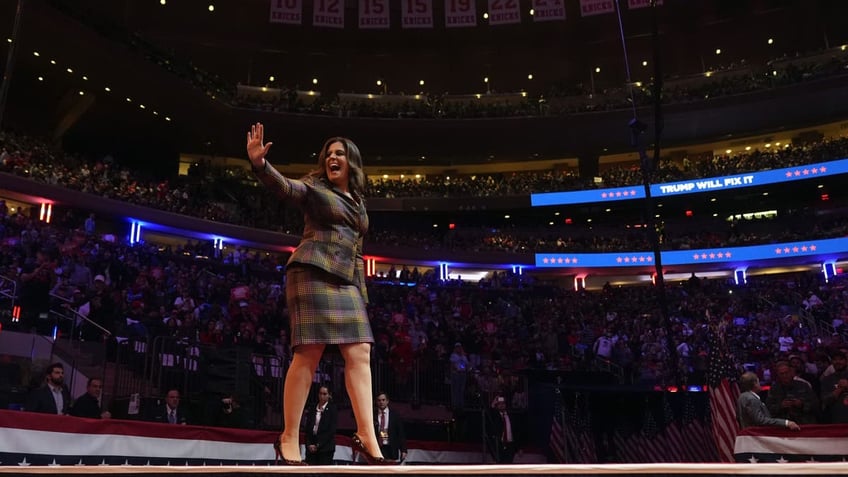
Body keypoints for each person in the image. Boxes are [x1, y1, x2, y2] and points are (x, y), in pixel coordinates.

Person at [246, 123, 388, 465]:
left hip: (346, 281)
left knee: (361, 351)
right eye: (329, 154)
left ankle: (367, 434)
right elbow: (288, 189)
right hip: (311, 273)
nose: (332, 158)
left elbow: (356, 253)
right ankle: (289, 436)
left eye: (340, 153)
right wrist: (260, 165)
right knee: (309, 354)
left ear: (352, 162)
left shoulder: (359, 203)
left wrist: (361, 296)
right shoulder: (314, 188)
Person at [303, 385, 337, 465]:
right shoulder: (312, 408)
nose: (322, 396)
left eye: (324, 394)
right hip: (311, 447)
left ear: (329, 395)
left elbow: (331, 431)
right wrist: (309, 444)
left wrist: (318, 445)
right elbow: (308, 429)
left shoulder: (332, 409)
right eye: (320, 393)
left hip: (325, 449)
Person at [373, 392, 407, 462]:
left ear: (387, 401)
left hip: (391, 448)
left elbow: (400, 433)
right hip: (377, 448)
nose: (381, 402)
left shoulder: (395, 415)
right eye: (379, 400)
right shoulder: (372, 415)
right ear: (376, 402)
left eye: (383, 400)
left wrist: (403, 450)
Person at [487, 395, 518, 463]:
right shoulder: (496, 416)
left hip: (510, 445)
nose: (501, 405)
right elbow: (490, 414)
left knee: (509, 464)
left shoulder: (511, 415)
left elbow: (516, 431)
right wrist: (493, 404)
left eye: (503, 403)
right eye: (499, 404)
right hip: (500, 444)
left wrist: (519, 447)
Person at [820, 350, 848, 423]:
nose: (837, 362)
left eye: (841, 359)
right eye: (835, 359)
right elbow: (825, 401)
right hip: (835, 419)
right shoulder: (827, 380)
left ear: (846, 361)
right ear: (832, 362)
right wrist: (839, 389)